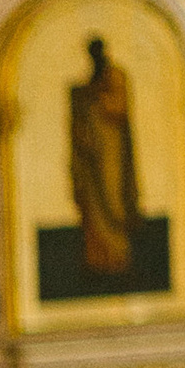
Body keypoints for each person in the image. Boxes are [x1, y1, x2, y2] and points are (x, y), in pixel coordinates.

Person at [66, 33, 138, 282]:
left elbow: (118, 108)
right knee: (92, 203)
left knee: (113, 200)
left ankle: (118, 256)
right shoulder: (89, 81)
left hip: (111, 149)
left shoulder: (115, 76)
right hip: (91, 154)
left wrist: (95, 97)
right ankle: (97, 257)